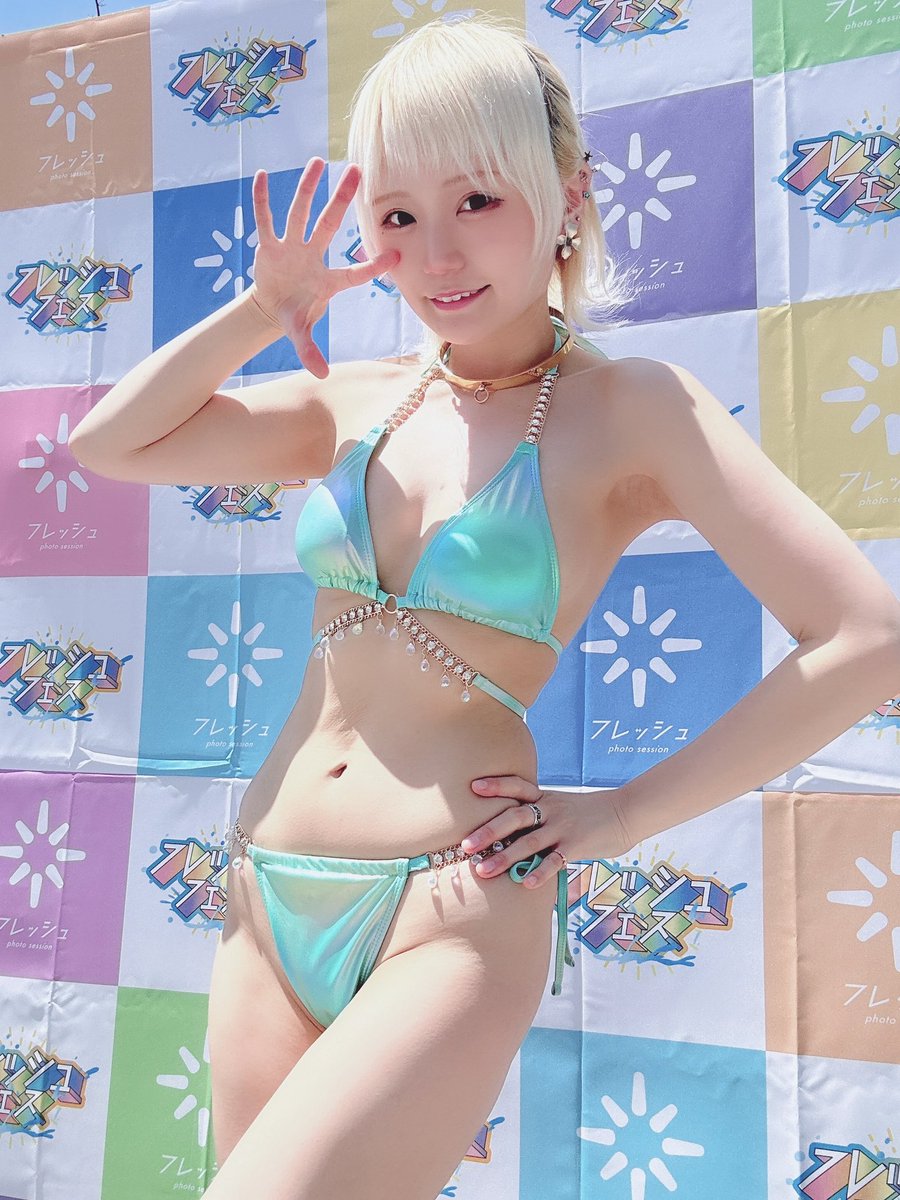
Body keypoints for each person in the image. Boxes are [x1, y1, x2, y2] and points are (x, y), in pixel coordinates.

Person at [68, 13, 900, 1200]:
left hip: (448, 910)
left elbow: (867, 638)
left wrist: (624, 815)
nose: (438, 252)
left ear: (566, 194)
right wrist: (264, 309)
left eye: (477, 199)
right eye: (398, 215)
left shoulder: (633, 409)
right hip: (265, 887)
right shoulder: (353, 398)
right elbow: (110, 444)